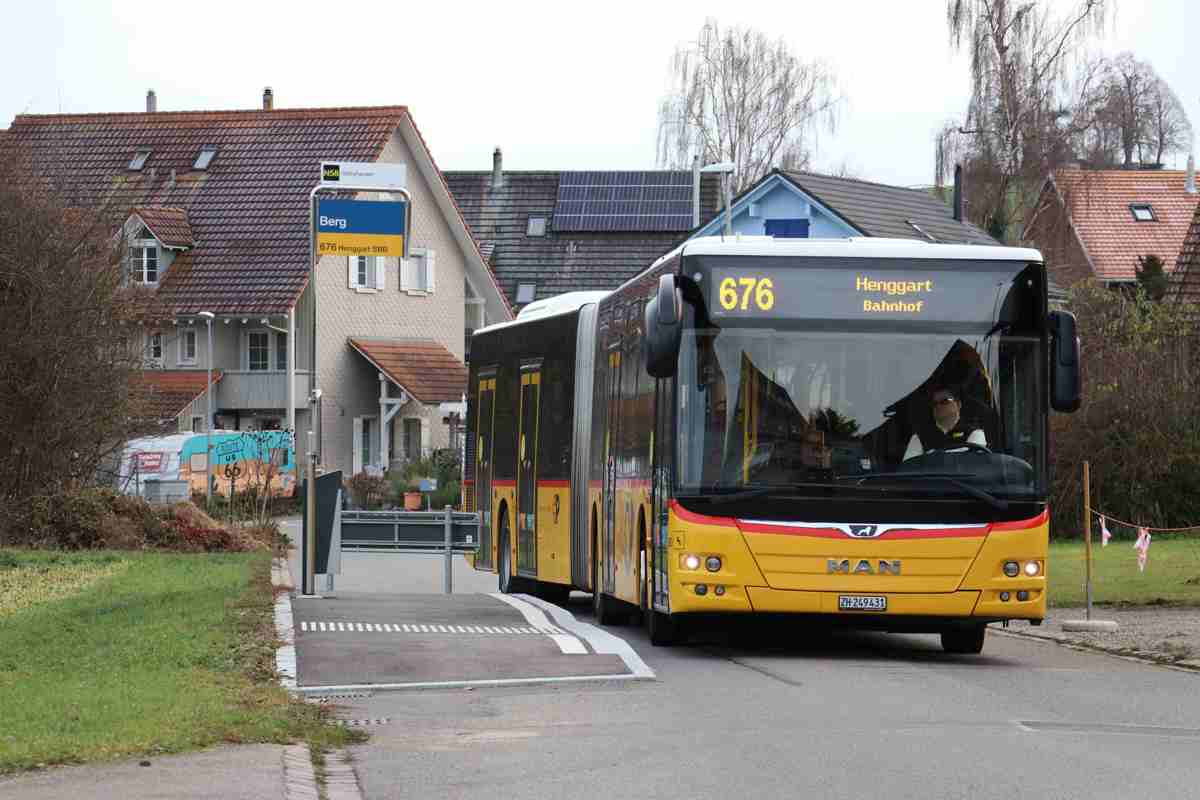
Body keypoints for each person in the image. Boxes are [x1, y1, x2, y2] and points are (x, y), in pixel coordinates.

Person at [903, 386, 986, 460]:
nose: (938, 406)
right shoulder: (920, 438)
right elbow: (909, 470)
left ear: (958, 404)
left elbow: (973, 468)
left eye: (945, 401)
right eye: (934, 403)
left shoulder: (974, 433)